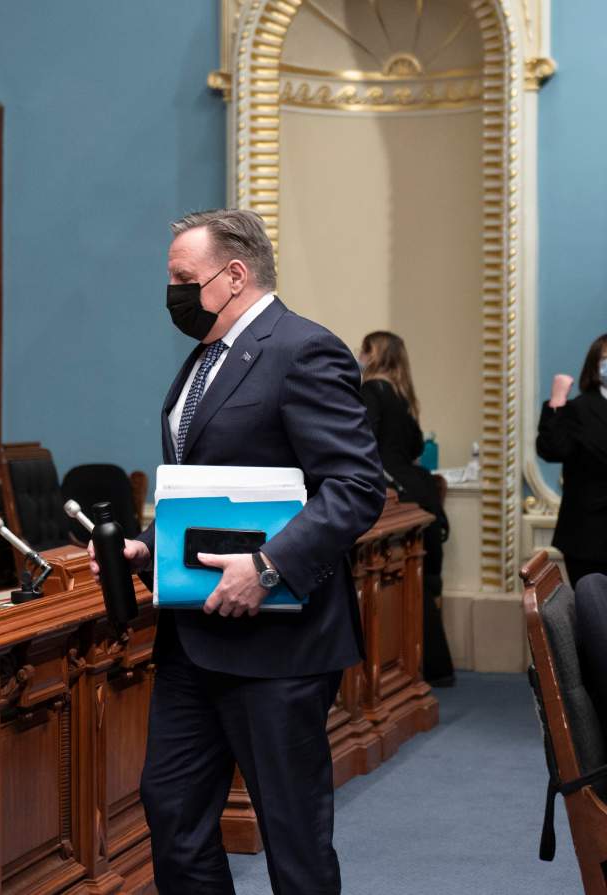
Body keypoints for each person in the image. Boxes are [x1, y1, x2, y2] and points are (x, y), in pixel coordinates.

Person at [91, 210, 384, 894]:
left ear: (234, 275)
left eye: (182, 279)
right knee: (172, 816)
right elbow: (212, 488)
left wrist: (270, 566)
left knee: (293, 838)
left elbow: (356, 487)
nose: (173, 293)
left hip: (279, 646)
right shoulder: (202, 360)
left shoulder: (304, 349)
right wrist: (154, 547)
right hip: (192, 638)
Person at [358, 331, 455, 686]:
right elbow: (414, 445)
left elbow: (362, 442)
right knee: (420, 583)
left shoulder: (371, 392)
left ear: (375, 354)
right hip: (420, 493)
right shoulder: (402, 394)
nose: (359, 354)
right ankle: (432, 667)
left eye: (364, 349)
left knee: (394, 584)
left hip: (393, 496)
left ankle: (401, 672)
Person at [536, 332, 607, 586]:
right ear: (595, 366)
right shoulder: (580, 408)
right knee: (593, 616)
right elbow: (552, 450)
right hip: (588, 536)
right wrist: (556, 403)